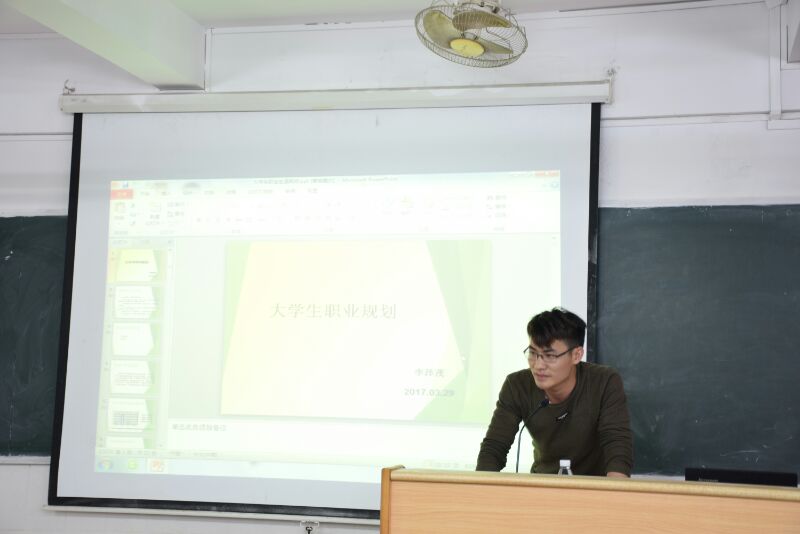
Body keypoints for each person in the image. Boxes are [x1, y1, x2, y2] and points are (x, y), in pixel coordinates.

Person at [476, 307, 633, 477]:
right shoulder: (517, 385)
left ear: (576, 355)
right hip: (543, 484)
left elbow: (617, 446)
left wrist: (613, 490)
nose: (538, 365)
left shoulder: (604, 382)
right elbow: (494, 447)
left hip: (594, 486)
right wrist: (480, 488)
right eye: (533, 353)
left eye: (550, 356)